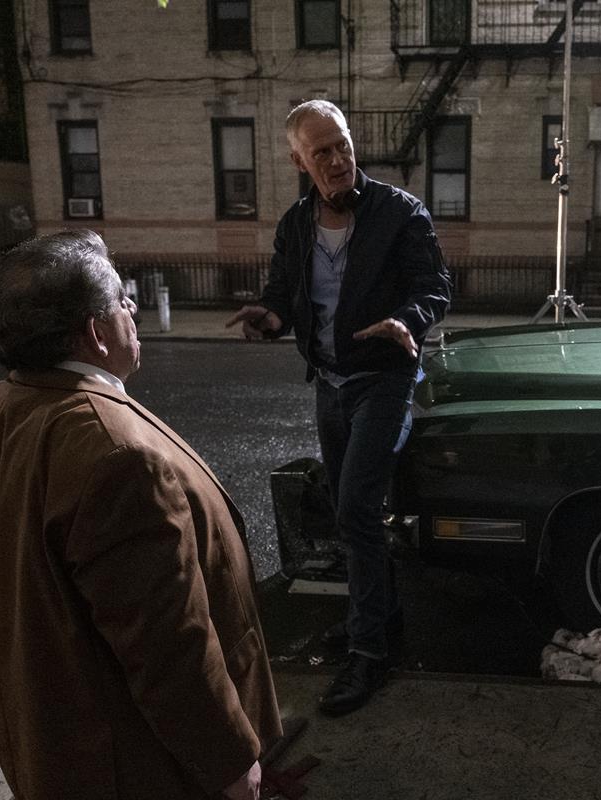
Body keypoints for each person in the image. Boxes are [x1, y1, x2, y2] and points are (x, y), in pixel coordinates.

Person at [0, 230, 281, 800]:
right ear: (95, 331)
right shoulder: (117, 457)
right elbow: (168, 648)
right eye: (121, 299)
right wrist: (230, 762)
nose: (132, 309)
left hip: (45, 743)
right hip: (133, 765)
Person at [227, 100, 450, 717]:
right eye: (321, 151)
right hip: (330, 383)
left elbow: (434, 288)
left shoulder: (401, 214)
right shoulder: (295, 225)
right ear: (299, 160)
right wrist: (269, 318)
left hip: (384, 379)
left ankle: (370, 652)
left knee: (355, 507)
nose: (337, 160)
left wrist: (407, 321)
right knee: (349, 508)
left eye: (343, 145)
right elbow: (282, 296)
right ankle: (378, 617)